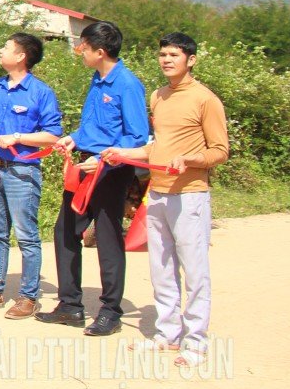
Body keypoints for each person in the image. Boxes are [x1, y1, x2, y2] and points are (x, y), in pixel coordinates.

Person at [109, 32, 228, 366]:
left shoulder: (206, 100)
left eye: (174, 55)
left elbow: (219, 151)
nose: (166, 60)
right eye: (162, 54)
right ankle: (167, 334)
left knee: (194, 270)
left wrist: (189, 161)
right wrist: (124, 153)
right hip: (157, 194)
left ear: (190, 60)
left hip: (189, 196)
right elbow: (156, 147)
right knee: (161, 267)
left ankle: (196, 341)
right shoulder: (158, 97)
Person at [36, 20, 149, 337]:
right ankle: (70, 305)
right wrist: (73, 138)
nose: (79, 52)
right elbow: (93, 128)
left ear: (100, 51)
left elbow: (137, 137)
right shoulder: (97, 80)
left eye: (83, 47)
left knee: (108, 238)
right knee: (65, 231)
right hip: (84, 167)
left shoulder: (127, 85)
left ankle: (110, 311)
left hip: (111, 171)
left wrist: (101, 158)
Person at [0, 33, 63, 319]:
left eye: (6, 47)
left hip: (22, 171)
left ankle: (28, 297)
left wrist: (19, 137)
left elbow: (52, 135)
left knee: (26, 236)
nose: (0, 50)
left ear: (21, 56)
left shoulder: (40, 92)